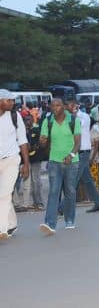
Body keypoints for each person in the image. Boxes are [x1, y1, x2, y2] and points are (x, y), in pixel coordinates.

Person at [39, 98, 82, 235]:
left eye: (57, 105)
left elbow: (77, 143)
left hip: (71, 162)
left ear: (63, 107)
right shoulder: (48, 121)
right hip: (54, 161)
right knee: (53, 192)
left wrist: (71, 155)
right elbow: (43, 143)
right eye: (52, 105)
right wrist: (42, 142)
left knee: (70, 191)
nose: (54, 108)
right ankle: (50, 223)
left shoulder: (73, 120)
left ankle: (70, 219)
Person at [0, 90, 30, 240]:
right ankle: (11, 223)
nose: (12, 103)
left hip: (11, 159)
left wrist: (26, 164)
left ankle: (2, 228)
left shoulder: (15, 116)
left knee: (5, 193)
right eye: (8, 100)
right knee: (3, 194)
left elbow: (23, 140)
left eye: (13, 100)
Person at [67, 100, 99, 213]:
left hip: (83, 151)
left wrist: (73, 116)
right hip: (76, 151)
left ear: (76, 106)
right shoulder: (69, 116)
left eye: (70, 105)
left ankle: (61, 208)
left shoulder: (85, 117)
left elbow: (76, 126)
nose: (67, 107)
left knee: (74, 180)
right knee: (88, 180)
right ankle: (98, 203)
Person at [24, 114, 45, 210]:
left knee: (36, 181)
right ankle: (35, 202)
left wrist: (34, 147)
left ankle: (40, 203)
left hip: (36, 159)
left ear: (32, 120)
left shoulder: (37, 130)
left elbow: (41, 143)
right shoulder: (24, 132)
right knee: (31, 182)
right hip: (28, 159)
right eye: (26, 120)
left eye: (29, 119)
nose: (27, 121)